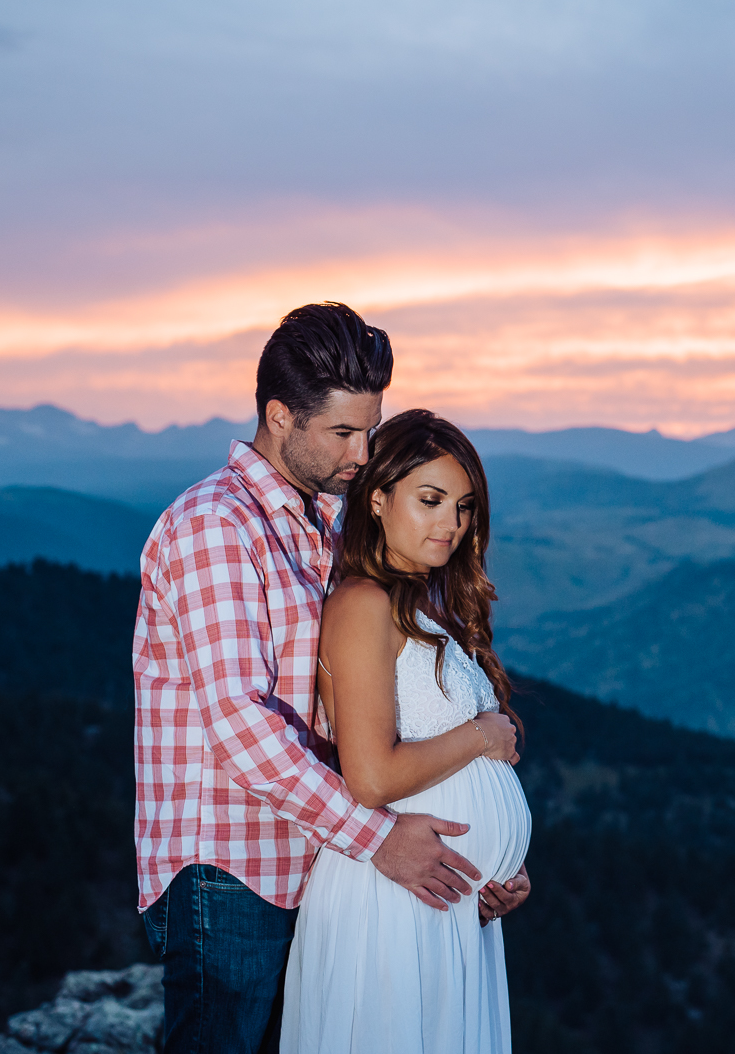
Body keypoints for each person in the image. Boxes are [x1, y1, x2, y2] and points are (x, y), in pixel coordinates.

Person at [133, 303, 530, 1054]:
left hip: (319, 863)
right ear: (279, 416)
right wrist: (380, 839)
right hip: (232, 869)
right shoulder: (217, 526)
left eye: (368, 430)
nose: (361, 453)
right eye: (343, 432)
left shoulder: (325, 524)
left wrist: (470, 870)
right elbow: (243, 726)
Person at [280, 410, 530, 1054]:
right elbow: (371, 776)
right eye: (430, 500)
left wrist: (502, 870)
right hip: (389, 899)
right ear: (378, 499)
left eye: (464, 507)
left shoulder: (423, 605)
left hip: (446, 902)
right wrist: (483, 735)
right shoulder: (363, 603)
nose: (452, 523)